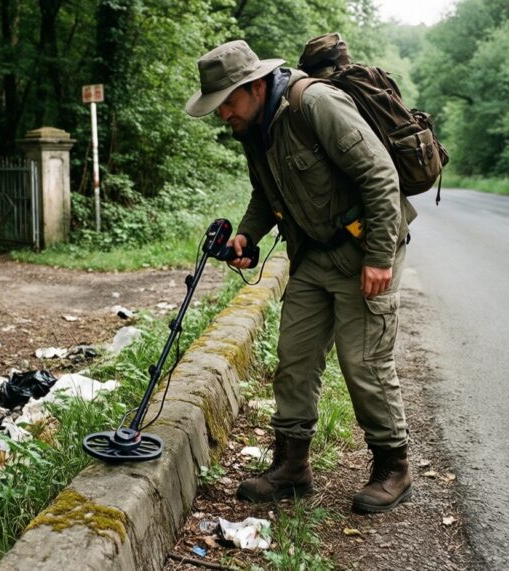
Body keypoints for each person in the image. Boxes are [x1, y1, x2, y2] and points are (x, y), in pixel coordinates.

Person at [185, 37, 417, 514]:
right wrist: (247, 235)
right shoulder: (254, 127)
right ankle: (292, 468)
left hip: (364, 248)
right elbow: (264, 192)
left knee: (364, 363)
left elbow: (379, 176)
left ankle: (393, 467)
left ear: (255, 86)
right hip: (312, 254)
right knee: (294, 359)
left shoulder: (314, 104)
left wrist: (379, 256)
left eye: (227, 101)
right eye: (217, 106)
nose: (223, 114)